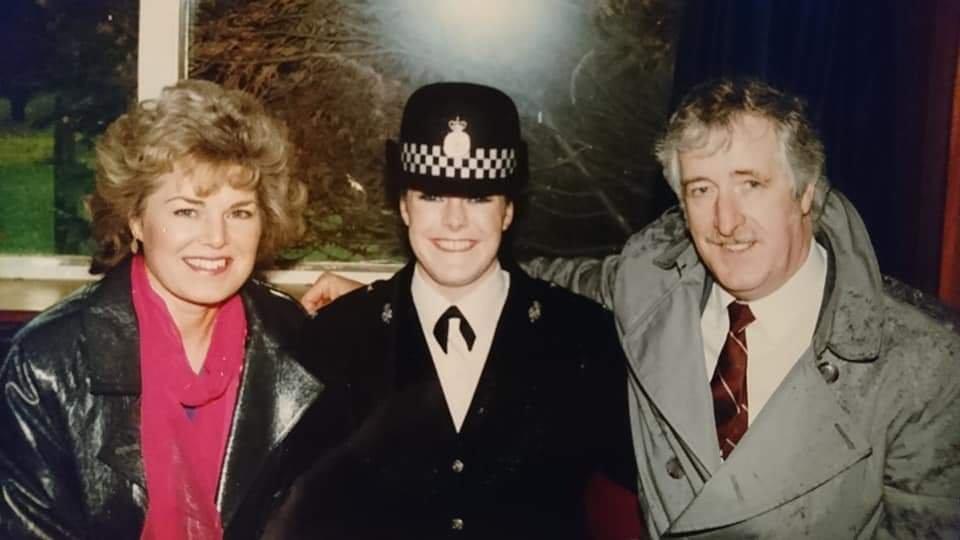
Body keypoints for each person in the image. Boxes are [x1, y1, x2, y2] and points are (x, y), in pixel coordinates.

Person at [524, 78, 960, 537]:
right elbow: (520, 284)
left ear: (806, 191)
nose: (726, 221)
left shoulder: (924, 360)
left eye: (750, 184)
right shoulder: (647, 290)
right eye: (702, 190)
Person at [282, 82, 639, 540]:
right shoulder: (337, 337)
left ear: (508, 210)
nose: (454, 221)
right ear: (403, 206)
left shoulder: (583, 336)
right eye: (431, 196)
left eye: (478, 197)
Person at [0, 79, 338, 539]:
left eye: (239, 212)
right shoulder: (47, 365)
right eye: (186, 211)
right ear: (136, 220)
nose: (217, 239)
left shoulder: (293, 340)